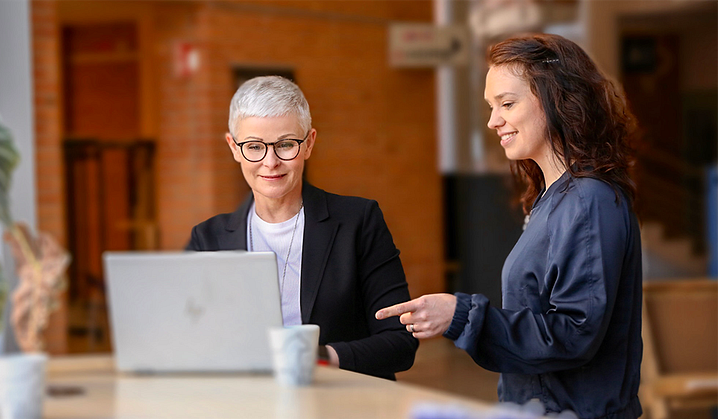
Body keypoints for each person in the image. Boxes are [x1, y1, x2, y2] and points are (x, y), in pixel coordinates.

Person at [377, 33, 643, 418]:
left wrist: (461, 315)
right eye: (491, 106)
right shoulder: (556, 198)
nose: (493, 120)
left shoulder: (588, 200)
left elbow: (573, 334)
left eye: (507, 103)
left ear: (556, 99)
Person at [186, 75, 417, 380]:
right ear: (233, 147)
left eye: (285, 145)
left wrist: (317, 356)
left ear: (309, 143)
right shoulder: (207, 239)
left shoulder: (358, 221)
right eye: (254, 147)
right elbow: (187, 340)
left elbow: (399, 343)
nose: (270, 162)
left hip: (339, 403)